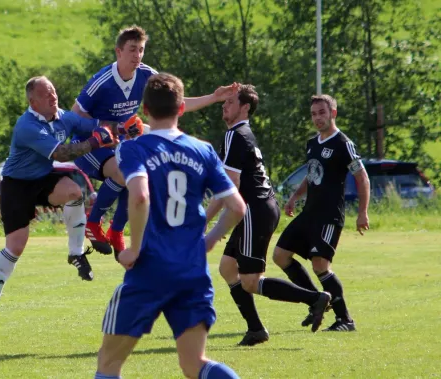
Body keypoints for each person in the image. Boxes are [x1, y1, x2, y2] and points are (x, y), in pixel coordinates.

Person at [94, 73, 245, 379]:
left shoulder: (135, 148)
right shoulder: (203, 150)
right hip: (191, 271)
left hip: (150, 270)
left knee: (108, 364)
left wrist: (133, 248)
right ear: (180, 108)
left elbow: (139, 196)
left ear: (145, 110)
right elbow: (237, 207)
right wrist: (211, 239)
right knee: (194, 365)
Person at [0, 76, 127, 342]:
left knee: (73, 192)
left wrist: (125, 127)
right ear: (33, 102)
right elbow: (63, 154)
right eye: (47, 95)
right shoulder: (27, 126)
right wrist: (96, 142)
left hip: (42, 177)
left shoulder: (63, 117)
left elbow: (97, 125)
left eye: (54, 92)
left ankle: (76, 253)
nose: (53, 97)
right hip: (17, 185)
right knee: (16, 246)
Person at [71, 25, 240, 257]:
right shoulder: (103, 81)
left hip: (118, 142)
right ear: (118, 52)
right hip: (88, 145)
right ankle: (93, 223)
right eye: (132, 50)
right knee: (123, 173)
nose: (137, 56)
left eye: (141, 50)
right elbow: (73, 117)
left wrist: (214, 97)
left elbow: (175, 103)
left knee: (138, 176)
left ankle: (116, 231)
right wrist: (109, 127)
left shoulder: (146, 74)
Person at [205, 85, 332, 346]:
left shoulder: (235, 135)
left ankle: (314, 299)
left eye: (230, 102)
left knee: (251, 281)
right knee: (228, 268)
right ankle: (256, 330)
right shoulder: (238, 133)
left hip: (255, 209)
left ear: (245, 108)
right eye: (224, 102)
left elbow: (231, 185)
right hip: (258, 208)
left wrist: (205, 221)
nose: (223, 105)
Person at [273, 94, 370, 332]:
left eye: (322, 113)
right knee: (280, 255)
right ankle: (316, 300)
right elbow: (313, 173)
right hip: (309, 213)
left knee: (320, 266)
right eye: (314, 114)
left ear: (333, 113)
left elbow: (362, 177)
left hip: (329, 216)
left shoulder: (343, 143)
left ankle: (345, 320)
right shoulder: (313, 143)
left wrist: (362, 212)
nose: (317, 118)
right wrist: (295, 197)